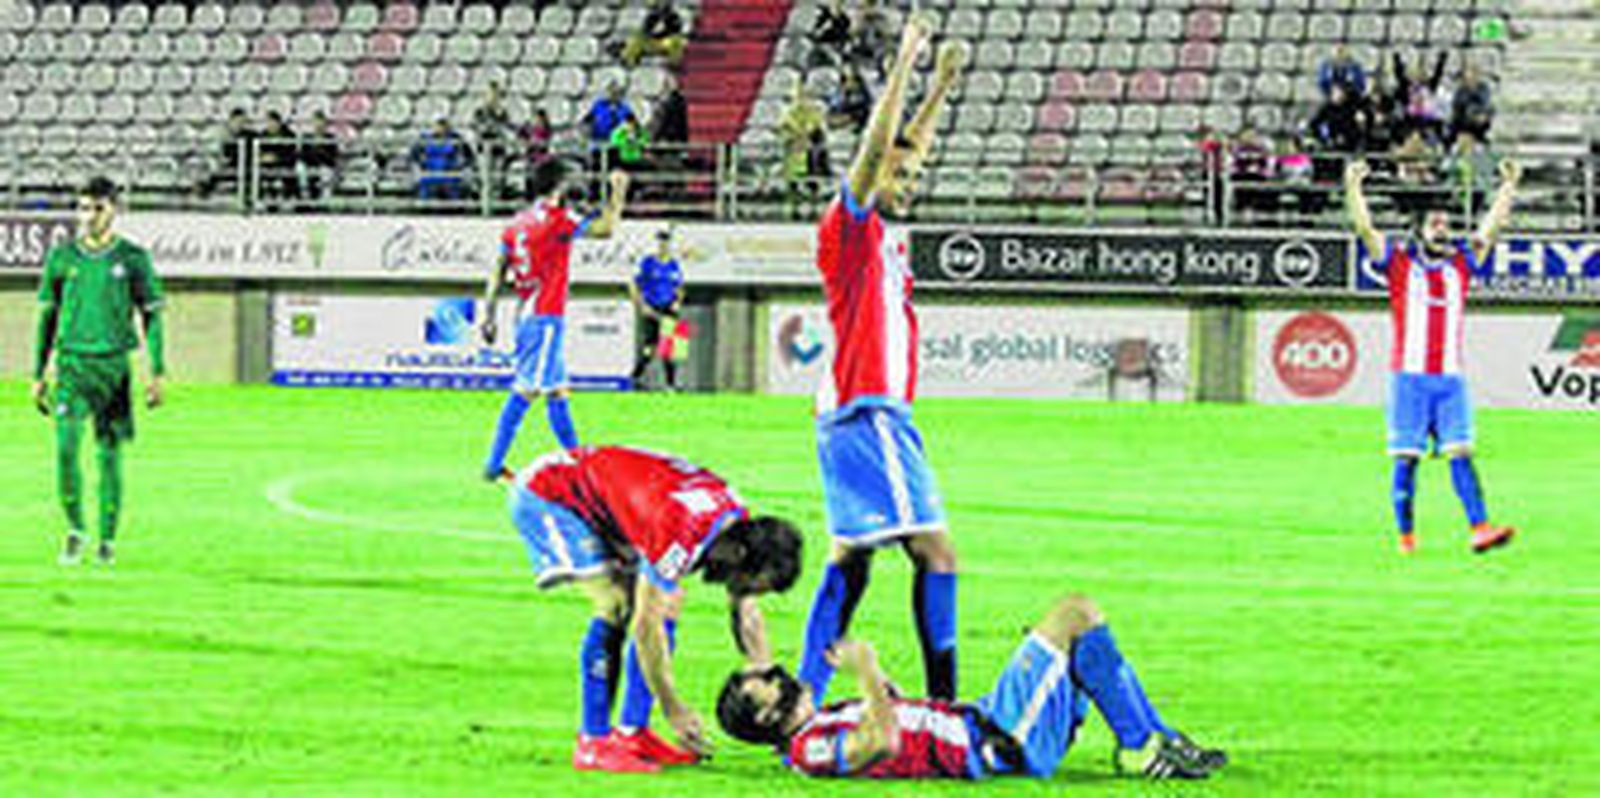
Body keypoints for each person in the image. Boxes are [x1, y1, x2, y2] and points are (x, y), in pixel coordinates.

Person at [798, 16, 967, 708]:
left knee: (853, 559)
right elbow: (877, 154)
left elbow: (903, 148)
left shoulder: (881, 231)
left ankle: (804, 692)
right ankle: (946, 706)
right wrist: (906, 62)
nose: (911, 178)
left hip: (855, 412)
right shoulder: (851, 227)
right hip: (870, 410)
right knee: (938, 554)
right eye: (903, 172)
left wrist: (943, 87)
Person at [505, 445, 803, 771]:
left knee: (670, 599)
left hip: (605, 502)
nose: (745, 592)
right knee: (616, 605)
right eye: (752, 583)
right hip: (552, 494)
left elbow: (746, 613)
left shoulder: (736, 525)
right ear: (741, 556)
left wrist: (767, 678)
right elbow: (646, 627)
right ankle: (593, 742)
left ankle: (633, 731)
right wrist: (672, 707)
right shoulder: (680, 530)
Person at [718, 593, 1226, 781]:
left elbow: (895, 726)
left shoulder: (814, 725)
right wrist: (868, 669)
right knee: (1075, 614)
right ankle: (1141, 749)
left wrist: (883, 689)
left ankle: (1159, 740)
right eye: (770, 682)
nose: (780, 673)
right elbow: (883, 742)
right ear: (766, 718)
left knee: (1072, 638)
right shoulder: (811, 748)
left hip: (987, 720)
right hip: (997, 738)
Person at [1344, 157, 1521, 555]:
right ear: (1420, 232)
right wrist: (1353, 187)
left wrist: (1509, 185)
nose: (1443, 228)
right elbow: (1365, 229)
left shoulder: (1461, 264)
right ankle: (1406, 538)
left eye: (1446, 223)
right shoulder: (1400, 265)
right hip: (1409, 379)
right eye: (1435, 224)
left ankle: (1480, 528)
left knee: (1461, 452)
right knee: (1406, 460)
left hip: (1450, 379)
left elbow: (1491, 228)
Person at [32, 177, 166, 566]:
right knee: (65, 451)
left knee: (109, 458)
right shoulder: (62, 257)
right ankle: (75, 531)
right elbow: (47, 318)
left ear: (114, 210)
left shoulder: (133, 258)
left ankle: (107, 540)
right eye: (83, 208)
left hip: (114, 369)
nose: (88, 216)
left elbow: (153, 316)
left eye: (97, 209)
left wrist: (155, 370)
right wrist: (39, 372)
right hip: (71, 367)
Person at [479, 162, 629, 479]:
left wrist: (489, 313)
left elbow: (498, 268)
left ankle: (578, 461)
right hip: (544, 314)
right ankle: (492, 463)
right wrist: (618, 193)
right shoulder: (557, 220)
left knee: (558, 390)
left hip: (527, 310)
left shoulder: (516, 223)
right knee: (526, 390)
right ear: (558, 185)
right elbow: (605, 230)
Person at [629, 228, 685, 390]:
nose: (663, 245)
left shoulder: (674, 264)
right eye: (660, 242)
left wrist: (677, 302)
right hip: (652, 308)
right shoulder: (647, 262)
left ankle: (671, 384)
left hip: (669, 309)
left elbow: (679, 287)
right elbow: (634, 284)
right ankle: (636, 376)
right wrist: (641, 305)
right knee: (650, 347)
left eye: (666, 242)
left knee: (671, 347)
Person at [200, 108, 257, 199]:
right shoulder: (220, 132)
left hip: (242, 163)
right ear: (231, 120)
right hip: (226, 161)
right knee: (218, 169)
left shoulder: (247, 134)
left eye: (243, 122)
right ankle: (205, 189)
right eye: (238, 122)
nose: (240, 125)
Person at [411, 118, 471, 205]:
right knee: (426, 195)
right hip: (430, 173)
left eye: (443, 126)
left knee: (453, 199)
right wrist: (421, 165)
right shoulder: (424, 138)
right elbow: (414, 155)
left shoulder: (456, 138)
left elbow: (469, 156)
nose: (441, 128)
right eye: (438, 125)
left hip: (450, 174)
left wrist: (460, 166)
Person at [472, 81, 516, 198]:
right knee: (485, 177)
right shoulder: (480, 112)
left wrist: (499, 117)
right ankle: (484, 201)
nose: (493, 97)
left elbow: (506, 128)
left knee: (498, 176)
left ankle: (497, 200)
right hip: (484, 148)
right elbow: (479, 128)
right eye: (491, 94)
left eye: (496, 94)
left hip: (499, 148)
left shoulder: (503, 112)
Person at [583, 82, 633, 174]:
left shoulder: (624, 108)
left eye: (616, 92)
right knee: (597, 170)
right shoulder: (598, 106)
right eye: (611, 91)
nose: (613, 94)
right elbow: (587, 121)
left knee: (615, 171)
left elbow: (631, 124)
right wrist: (588, 134)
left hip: (617, 147)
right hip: (598, 146)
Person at [621, 0, 687, 67]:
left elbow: (677, 31)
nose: (663, 9)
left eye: (666, 6)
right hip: (651, 41)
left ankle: (674, 63)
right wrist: (654, 32)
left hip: (665, 42)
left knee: (676, 40)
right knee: (636, 38)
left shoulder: (674, 17)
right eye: (662, 6)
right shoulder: (651, 17)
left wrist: (665, 28)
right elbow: (645, 30)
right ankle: (628, 59)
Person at [298, 110, 340, 208]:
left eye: (320, 122)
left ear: (325, 124)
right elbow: (302, 154)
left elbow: (333, 156)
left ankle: (324, 201)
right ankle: (305, 197)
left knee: (326, 172)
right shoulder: (307, 137)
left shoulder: (331, 138)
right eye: (316, 121)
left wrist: (320, 153)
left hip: (325, 165)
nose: (318, 124)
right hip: (310, 164)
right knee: (300, 167)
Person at [1449, 64, 1494, 145]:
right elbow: (1456, 105)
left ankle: (1478, 139)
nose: (1469, 80)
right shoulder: (1461, 90)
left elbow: (1485, 103)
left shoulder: (1484, 88)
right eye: (1467, 78)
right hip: (1463, 120)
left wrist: (1481, 114)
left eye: (1472, 77)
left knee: (1484, 116)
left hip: (1478, 118)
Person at [517, 108, 555, 199]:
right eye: (536, 119)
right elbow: (520, 136)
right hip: (531, 154)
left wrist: (541, 143)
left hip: (542, 155)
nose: (538, 121)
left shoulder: (547, 128)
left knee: (543, 171)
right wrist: (527, 142)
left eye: (540, 119)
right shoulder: (528, 127)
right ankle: (530, 195)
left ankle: (543, 193)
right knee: (530, 172)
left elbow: (547, 141)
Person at [827, 66, 873, 132]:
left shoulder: (864, 95)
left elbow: (867, 104)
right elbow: (835, 107)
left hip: (857, 116)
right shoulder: (840, 94)